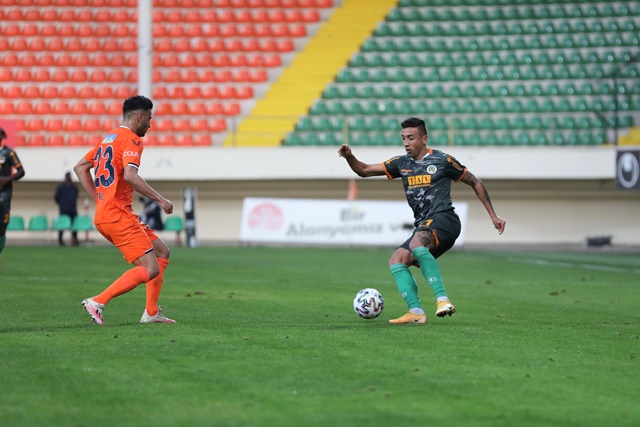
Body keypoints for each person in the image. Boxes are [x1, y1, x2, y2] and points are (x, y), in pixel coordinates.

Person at [338, 117, 506, 324]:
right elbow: (364, 171)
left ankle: (443, 300)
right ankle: (416, 312)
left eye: (411, 138)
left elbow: (474, 181)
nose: (406, 143)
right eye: (403, 138)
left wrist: (493, 215)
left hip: (445, 219)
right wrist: (349, 157)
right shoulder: (401, 163)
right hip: (424, 225)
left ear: (424, 139)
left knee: (417, 244)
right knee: (397, 260)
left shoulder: (442, 160)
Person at [74, 95, 176, 325]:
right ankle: (97, 302)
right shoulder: (132, 140)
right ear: (139, 117)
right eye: (149, 119)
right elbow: (130, 175)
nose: (150, 125)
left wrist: (100, 198)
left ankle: (151, 312)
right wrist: (160, 200)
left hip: (108, 214)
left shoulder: (107, 139)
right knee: (150, 268)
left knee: (162, 252)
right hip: (118, 215)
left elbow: (80, 167)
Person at [0, 127, 26, 261]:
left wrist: (7, 179)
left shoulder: (9, 153)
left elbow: (21, 171)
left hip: (4, 192)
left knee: (2, 226)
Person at [54, 171, 79, 246]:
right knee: (62, 225)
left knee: (74, 225)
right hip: (64, 209)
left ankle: (74, 239)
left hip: (73, 209)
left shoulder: (74, 187)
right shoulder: (61, 187)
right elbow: (56, 198)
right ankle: (60, 239)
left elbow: (76, 196)